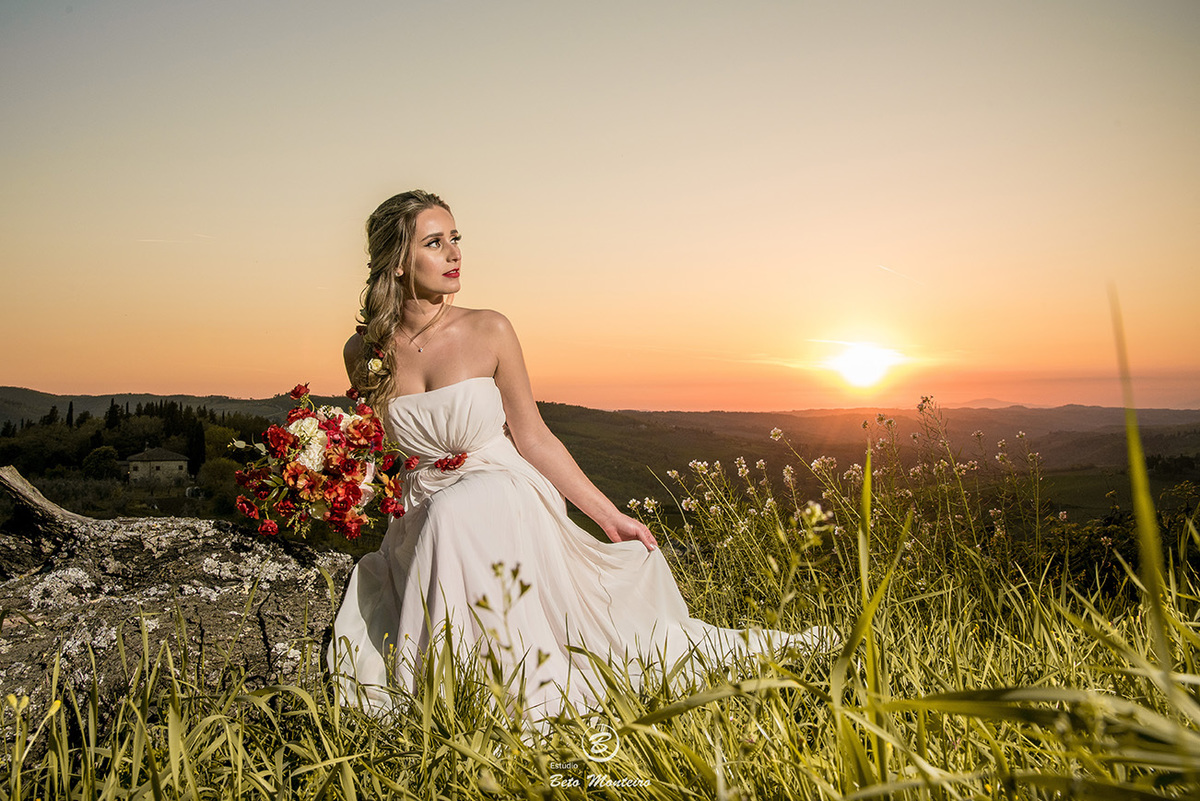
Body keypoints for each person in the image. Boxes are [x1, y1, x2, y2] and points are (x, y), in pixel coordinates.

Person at [326, 190, 829, 718]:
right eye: (435, 242)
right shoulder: (363, 353)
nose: (455, 254)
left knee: (461, 509)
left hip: (502, 490)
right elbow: (372, 451)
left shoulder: (489, 328)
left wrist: (610, 518)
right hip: (423, 506)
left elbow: (535, 437)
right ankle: (464, 691)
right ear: (399, 260)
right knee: (445, 517)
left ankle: (508, 695)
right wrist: (324, 480)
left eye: (456, 239)